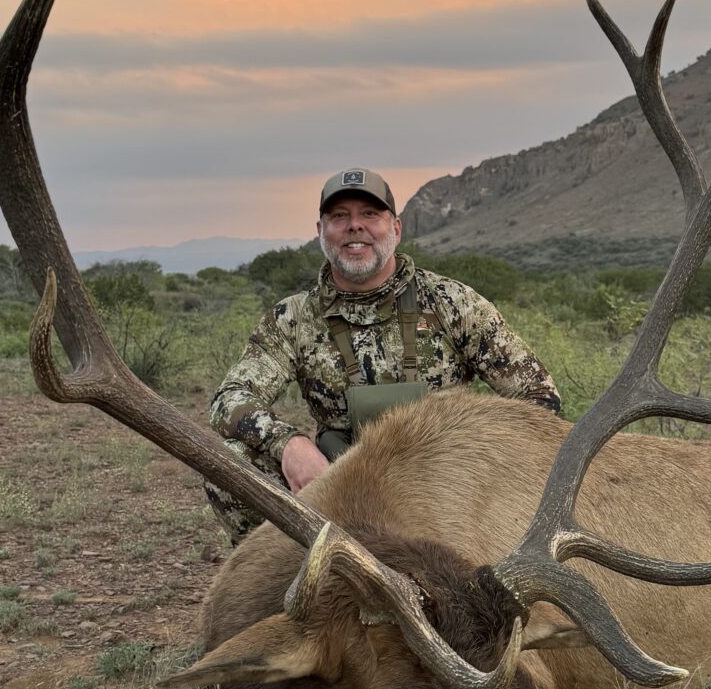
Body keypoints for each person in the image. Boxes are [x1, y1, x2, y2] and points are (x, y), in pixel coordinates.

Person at [204, 167, 562, 542]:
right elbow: (230, 398)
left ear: (396, 229)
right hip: (338, 486)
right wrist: (289, 444)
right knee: (233, 462)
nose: (354, 226)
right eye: (339, 216)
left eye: (370, 215)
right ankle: (298, 585)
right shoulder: (292, 318)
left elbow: (540, 397)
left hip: (446, 492)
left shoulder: (452, 302)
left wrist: (474, 456)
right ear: (320, 231)